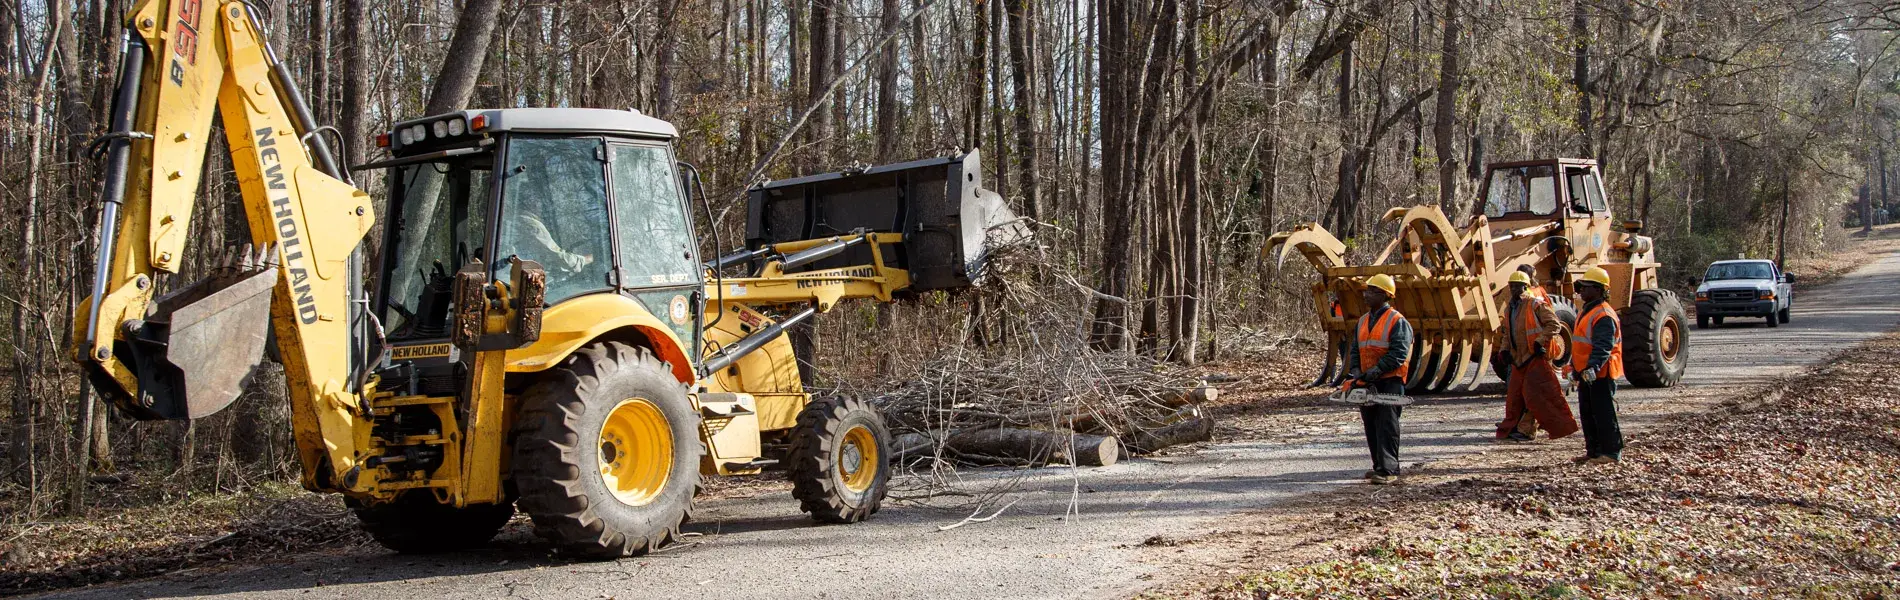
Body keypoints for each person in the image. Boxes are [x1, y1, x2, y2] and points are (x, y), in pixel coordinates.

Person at [1493, 270, 1579, 442]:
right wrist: (1504, 350)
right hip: (1518, 360)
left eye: (1517, 286)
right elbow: (1508, 333)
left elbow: (1554, 324)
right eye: (1512, 286)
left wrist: (1540, 341)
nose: (1514, 289)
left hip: (1534, 357)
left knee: (1535, 395)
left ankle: (1526, 430)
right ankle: (1512, 427)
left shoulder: (1535, 304)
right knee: (1514, 397)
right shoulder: (1511, 308)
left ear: (1525, 286)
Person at [1345, 274, 1411, 485]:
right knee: (1371, 425)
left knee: (1387, 426)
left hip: (1389, 381)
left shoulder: (1397, 321)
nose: (1366, 294)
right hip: (1367, 381)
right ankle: (1378, 467)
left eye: (1372, 291)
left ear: (1384, 295)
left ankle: (1389, 469)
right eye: (1366, 290)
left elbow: (1399, 353)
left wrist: (1377, 370)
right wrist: (1355, 370)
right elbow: (1355, 348)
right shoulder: (1363, 320)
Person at [1571, 267, 1625, 465]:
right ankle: (1593, 451)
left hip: (1601, 373)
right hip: (1587, 373)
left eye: (1587, 287)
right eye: (1582, 287)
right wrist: (1576, 369)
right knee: (1588, 413)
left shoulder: (1603, 314)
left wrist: (1592, 368)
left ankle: (1611, 453)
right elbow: (1579, 343)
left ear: (1599, 290)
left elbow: (1603, 346)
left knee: (1603, 413)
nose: (1582, 291)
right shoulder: (1588, 311)